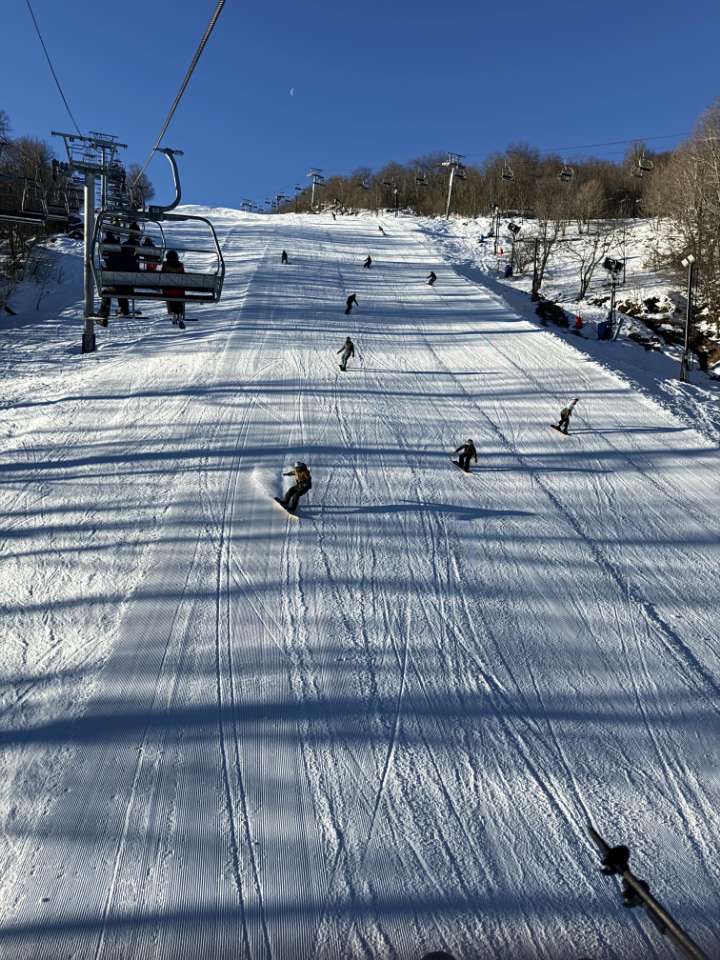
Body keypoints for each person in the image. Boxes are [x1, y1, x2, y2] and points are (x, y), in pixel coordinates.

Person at [97, 230, 133, 322]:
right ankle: (124, 309)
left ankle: (103, 313)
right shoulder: (126, 259)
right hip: (128, 287)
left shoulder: (112, 260)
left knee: (108, 290)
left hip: (118, 286)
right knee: (121, 286)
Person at [161, 250, 186, 329]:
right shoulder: (180, 266)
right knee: (180, 294)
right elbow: (184, 278)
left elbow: (161, 278)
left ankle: (173, 313)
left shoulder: (165, 265)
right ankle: (181, 314)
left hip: (168, 292)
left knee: (168, 294)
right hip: (180, 292)